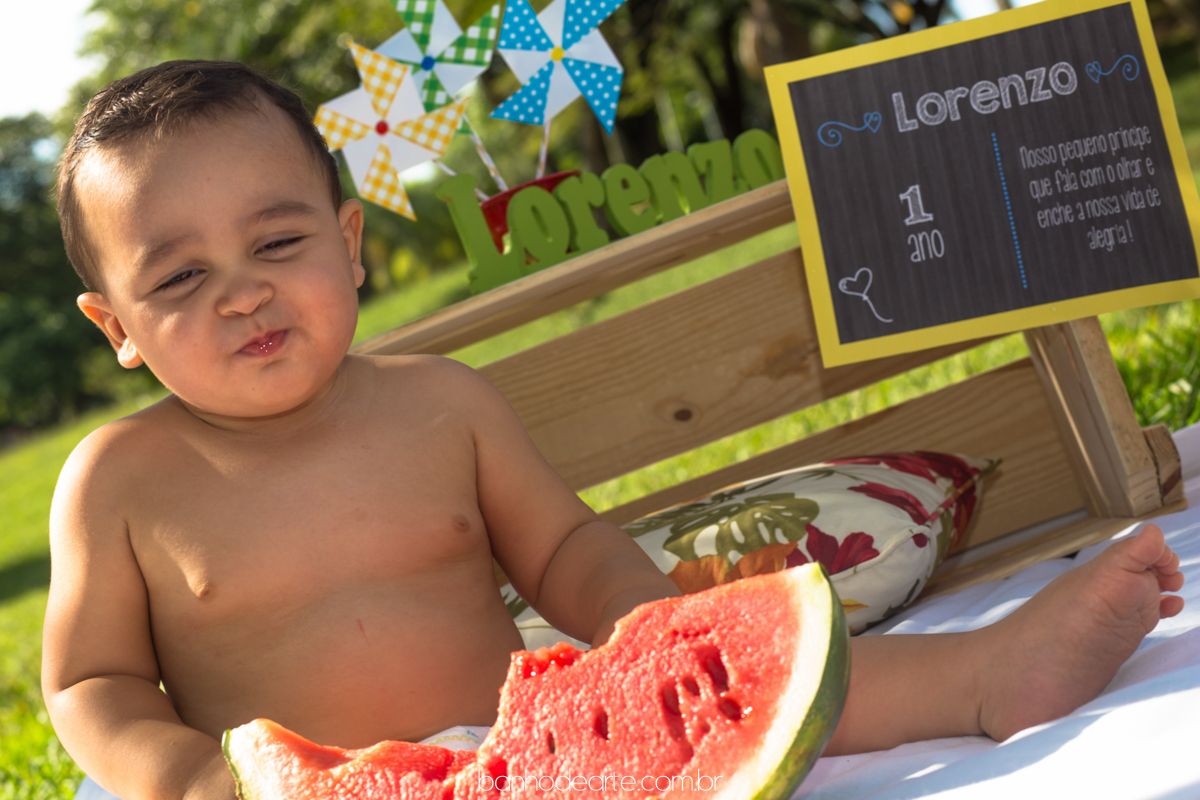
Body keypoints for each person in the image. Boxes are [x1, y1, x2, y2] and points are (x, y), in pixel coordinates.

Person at [43, 60, 1185, 800]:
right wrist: (179, 774)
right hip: (284, 788)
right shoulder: (123, 478)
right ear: (117, 326)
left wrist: (651, 619)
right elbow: (89, 677)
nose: (240, 293)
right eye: (182, 274)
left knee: (741, 678)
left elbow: (561, 551)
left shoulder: (441, 403)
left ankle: (985, 673)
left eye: (277, 243)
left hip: (535, 750)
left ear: (349, 243)